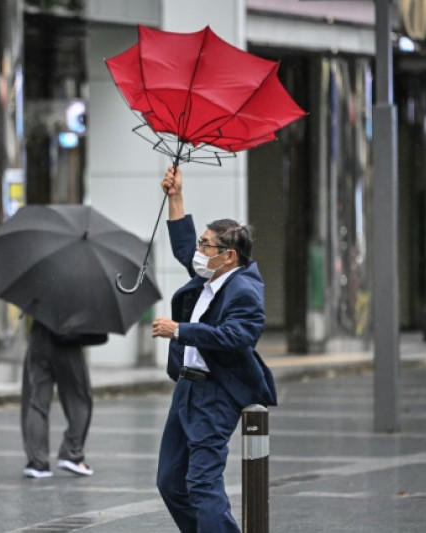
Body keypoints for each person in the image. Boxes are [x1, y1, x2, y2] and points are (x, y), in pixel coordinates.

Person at [150, 166, 277, 533]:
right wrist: (176, 197)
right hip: (187, 388)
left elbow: (236, 337)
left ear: (230, 256)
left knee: (202, 483)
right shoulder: (212, 274)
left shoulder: (245, 291)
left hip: (215, 392)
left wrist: (180, 331)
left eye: (208, 245)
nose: (199, 251)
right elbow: (183, 247)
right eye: (203, 243)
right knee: (171, 482)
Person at [21, 318, 107, 478]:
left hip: (39, 336)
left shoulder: (42, 292)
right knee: (79, 398)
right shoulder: (84, 292)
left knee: (37, 402)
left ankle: (37, 463)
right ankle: (71, 453)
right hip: (68, 339)